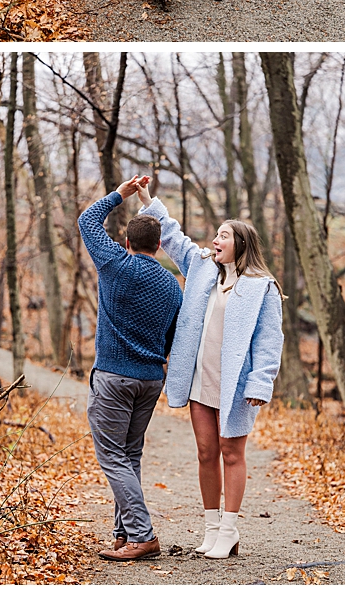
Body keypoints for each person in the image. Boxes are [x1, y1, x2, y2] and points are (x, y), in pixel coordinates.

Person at [135, 179, 284, 560]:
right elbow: (172, 235)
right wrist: (148, 201)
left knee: (231, 452)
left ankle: (230, 530)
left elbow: (270, 340)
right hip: (201, 377)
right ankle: (212, 528)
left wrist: (260, 382)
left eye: (223, 235)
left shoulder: (261, 287)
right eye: (216, 234)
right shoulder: (201, 268)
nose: (215, 240)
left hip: (236, 384)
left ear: (241, 245)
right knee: (205, 451)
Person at [75, 176, 184, 562]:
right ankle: (124, 533)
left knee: (113, 456)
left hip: (114, 379)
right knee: (130, 455)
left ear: (127, 242)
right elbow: (173, 339)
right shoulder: (173, 287)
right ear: (158, 246)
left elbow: (87, 221)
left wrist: (120, 194)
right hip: (150, 379)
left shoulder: (115, 263)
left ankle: (143, 535)